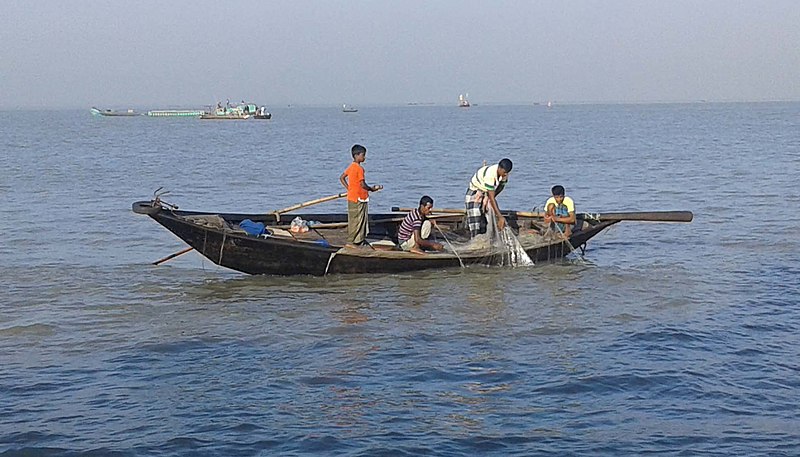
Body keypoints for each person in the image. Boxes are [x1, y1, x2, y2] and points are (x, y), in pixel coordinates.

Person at [339, 144, 383, 248]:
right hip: (358, 198)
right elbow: (362, 184)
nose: (364, 157)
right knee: (357, 220)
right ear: (356, 155)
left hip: (353, 196)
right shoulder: (359, 169)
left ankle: (359, 239)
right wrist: (372, 189)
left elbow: (342, 178)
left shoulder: (351, 166)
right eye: (363, 155)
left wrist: (349, 188)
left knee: (356, 219)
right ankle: (351, 242)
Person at [465, 158, 513, 237]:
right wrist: (500, 217)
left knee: (490, 213)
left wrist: (488, 199)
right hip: (475, 192)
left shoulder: (504, 174)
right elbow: (491, 196)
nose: (505, 175)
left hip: (486, 192)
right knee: (475, 217)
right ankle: (475, 238)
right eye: (504, 172)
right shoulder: (490, 175)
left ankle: (489, 234)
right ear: (499, 168)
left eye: (507, 173)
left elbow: (499, 188)